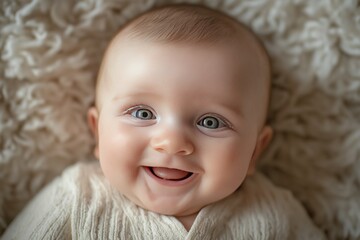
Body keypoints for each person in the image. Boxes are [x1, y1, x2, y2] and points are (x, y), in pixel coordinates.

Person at [2, 4, 325, 239]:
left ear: (255, 151)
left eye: (211, 122)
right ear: (98, 133)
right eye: (143, 114)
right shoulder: (76, 198)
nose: (171, 142)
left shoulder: (276, 214)